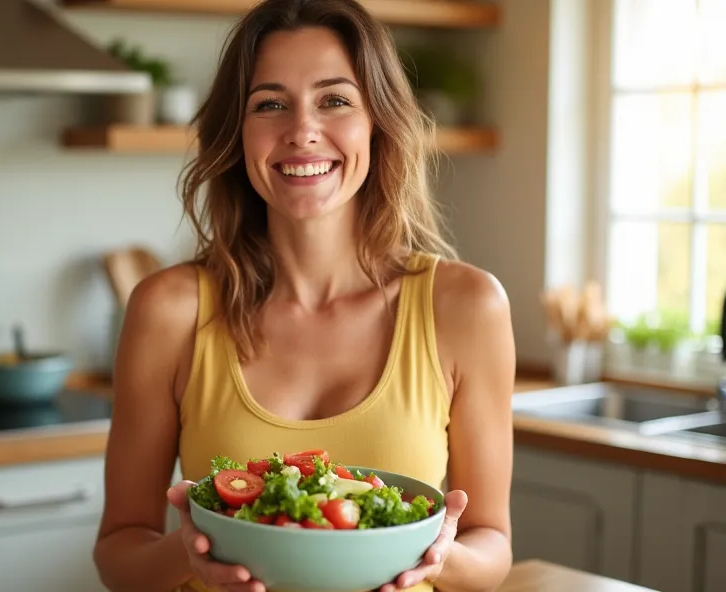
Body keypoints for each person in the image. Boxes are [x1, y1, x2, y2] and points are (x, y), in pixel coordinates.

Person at [92, 0, 515, 590]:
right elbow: (119, 551)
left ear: (378, 121)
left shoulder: (467, 306)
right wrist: (186, 555)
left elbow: (492, 546)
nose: (302, 131)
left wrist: (441, 553)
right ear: (237, 132)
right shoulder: (169, 309)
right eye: (270, 104)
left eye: (335, 100)